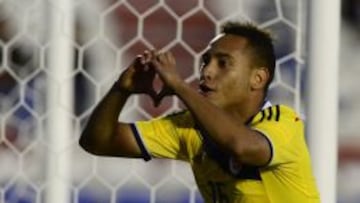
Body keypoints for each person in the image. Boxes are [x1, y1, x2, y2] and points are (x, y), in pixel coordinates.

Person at [79, 21, 320, 203]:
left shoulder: (283, 122)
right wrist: (122, 89)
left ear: (257, 78)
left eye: (223, 63)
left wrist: (181, 87)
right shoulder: (191, 128)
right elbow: (98, 141)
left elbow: (243, 148)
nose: (206, 72)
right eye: (206, 61)